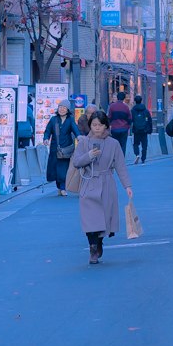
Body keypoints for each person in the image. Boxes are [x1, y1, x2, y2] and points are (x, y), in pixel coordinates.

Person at [71, 110, 133, 265]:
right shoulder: (84, 142)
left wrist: (127, 186)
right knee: (89, 218)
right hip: (88, 182)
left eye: (100, 125)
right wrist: (89, 156)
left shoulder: (113, 144)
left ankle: (98, 242)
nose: (97, 128)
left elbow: (120, 166)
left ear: (106, 126)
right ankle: (92, 247)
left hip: (106, 183)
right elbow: (76, 162)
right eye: (94, 125)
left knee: (104, 218)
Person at [43, 100, 78, 196]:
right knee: (55, 169)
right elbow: (47, 131)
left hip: (66, 149)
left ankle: (63, 187)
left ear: (68, 109)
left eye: (64, 108)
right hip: (55, 148)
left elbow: (75, 129)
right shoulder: (53, 120)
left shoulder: (70, 119)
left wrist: (79, 137)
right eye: (60, 107)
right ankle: (59, 187)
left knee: (63, 169)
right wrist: (46, 139)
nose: (62, 109)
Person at [130, 95, 153, 163]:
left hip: (136, 130)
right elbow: (150, 120)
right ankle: (143, 158)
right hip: (144, 130)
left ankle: (137, 154)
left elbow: (130, 120)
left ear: (135, 101)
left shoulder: (133, 110)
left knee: (136, 144)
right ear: (141, 100)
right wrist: (150, 130)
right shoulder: (146, 111)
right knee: (144, 145)